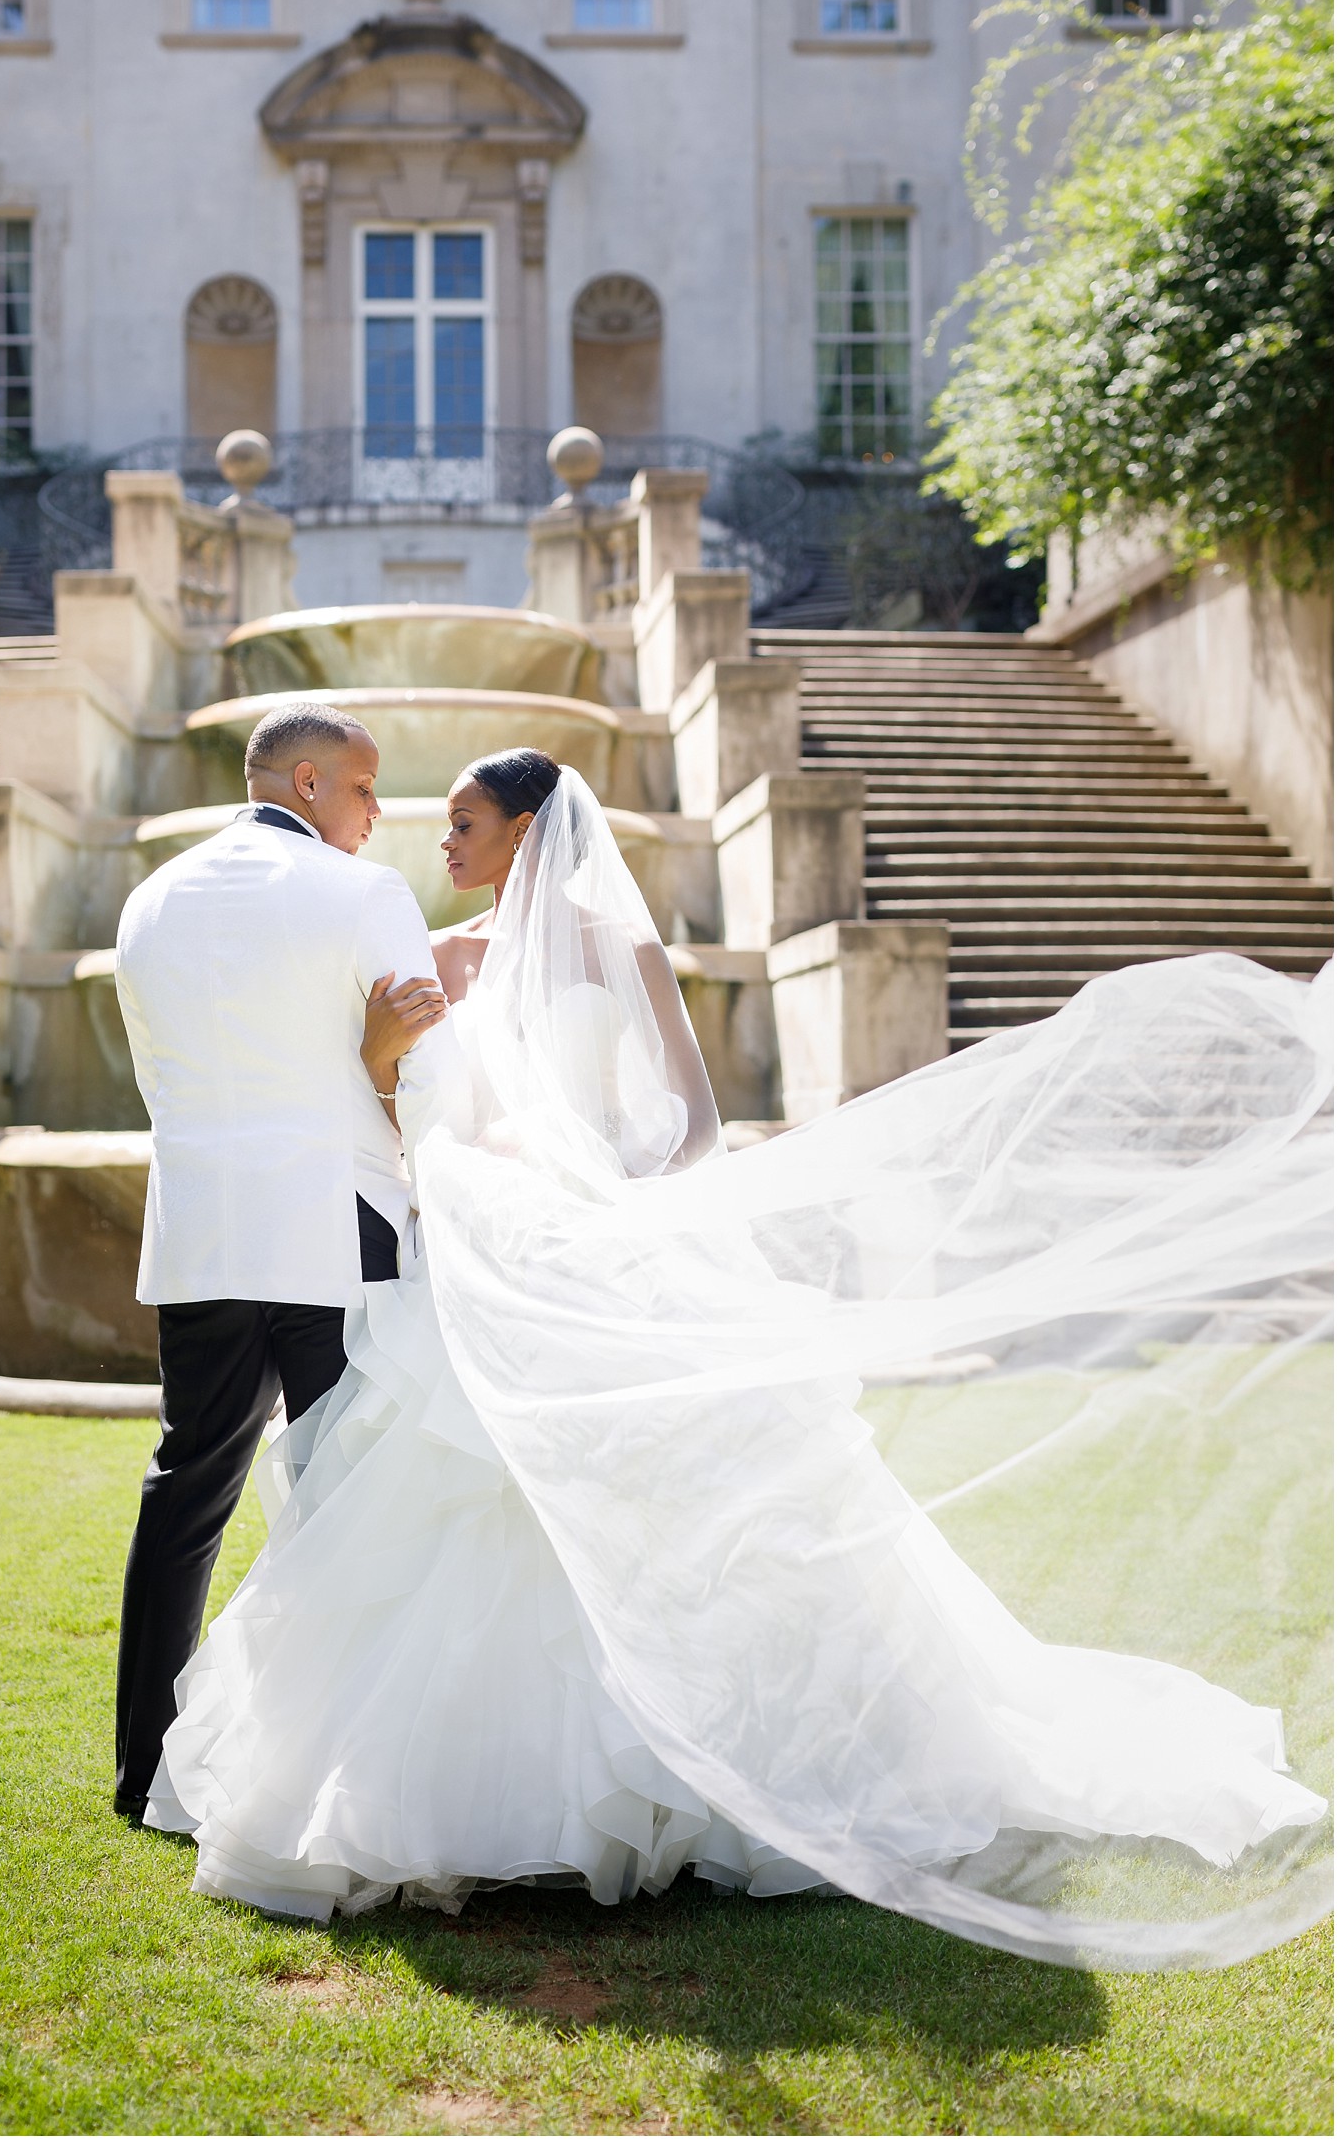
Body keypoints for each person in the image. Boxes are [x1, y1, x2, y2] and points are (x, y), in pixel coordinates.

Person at [140, 752, 1332, 1970]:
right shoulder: (435, 963)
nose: (439, 842)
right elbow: (387, 1102)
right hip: (475, 1262)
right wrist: (410, 1095)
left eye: (463, 823)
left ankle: (704, 1778)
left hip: (592, 1249)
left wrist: (611, 1203)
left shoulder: (622, 950)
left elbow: (693, 1124)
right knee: (459, 1496)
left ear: (528, 831)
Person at [110, 702, 447, 1823]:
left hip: (205, 1225)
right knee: (347, 1491)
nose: (376, 811)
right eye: (362, 787)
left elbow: (157, 1072)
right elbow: (420, 1064)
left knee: (185, 1488)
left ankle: (144, 1766)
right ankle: (349, 1772)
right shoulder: (363, 895)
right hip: (336, 1221)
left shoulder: (150, 899)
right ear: (305, 781)